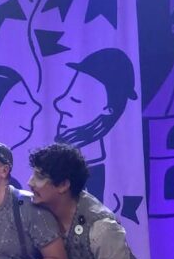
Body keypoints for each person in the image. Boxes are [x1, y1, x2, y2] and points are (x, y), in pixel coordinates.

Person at [54, 48, 137, 199]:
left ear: (108, 110)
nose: (59, 105)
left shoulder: (103, 177)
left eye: (75, 100)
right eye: (66, 95)